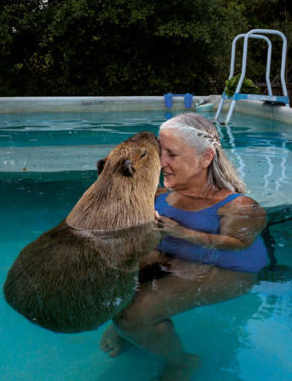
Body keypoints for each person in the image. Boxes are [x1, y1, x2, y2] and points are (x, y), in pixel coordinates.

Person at [100, 113, 268, 380]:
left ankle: (181, 362)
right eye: (159, 153)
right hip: (177, 256)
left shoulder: (240, 207)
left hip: (228, 270)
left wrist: (186, 233)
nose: (161, 163)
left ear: (206, 158)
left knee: (131, 317)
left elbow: (239, 244)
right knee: (110, 271)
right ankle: (128, 328)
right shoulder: (162, 194)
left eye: (172, 155)